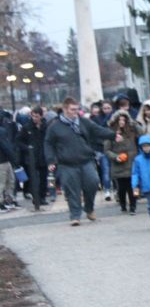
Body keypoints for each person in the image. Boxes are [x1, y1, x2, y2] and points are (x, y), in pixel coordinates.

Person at [45, 97, 120, 226]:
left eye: (77, 109)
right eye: (72, 109)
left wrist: (113, 135)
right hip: (66, 163)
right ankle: (75, 215)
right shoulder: (55, 126)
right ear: (65, 109)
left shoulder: (84, 122)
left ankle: (89, 208)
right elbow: (48, 144)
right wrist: (51, 160)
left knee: (93, 183)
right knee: (72, 190)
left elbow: (97, 130)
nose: (76, 112)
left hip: (86, 160)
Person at [104, 110, 139, 214]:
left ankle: (133, 206)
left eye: (124, 119)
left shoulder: (131, 130)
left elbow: (142, 133)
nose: (122, 122)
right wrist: (116, 157)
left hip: (131, 162)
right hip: (119, 163)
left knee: (132, 186)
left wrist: (134, 123)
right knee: (122, 188)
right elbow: (107, 150)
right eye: (119, 120)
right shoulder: (111, 133)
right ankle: (123, 205)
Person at [17, 107, 49, 206]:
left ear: (41, 116)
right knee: (34, 179)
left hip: (43, 156)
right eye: (33, 116)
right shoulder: (27, 127)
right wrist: (27, 148)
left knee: (43, 178)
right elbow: (19, 141)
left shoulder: (46, 126)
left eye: (37, 116)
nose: (34, 118)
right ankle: (36, 198)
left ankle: (42, 197)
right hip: (32, 157)